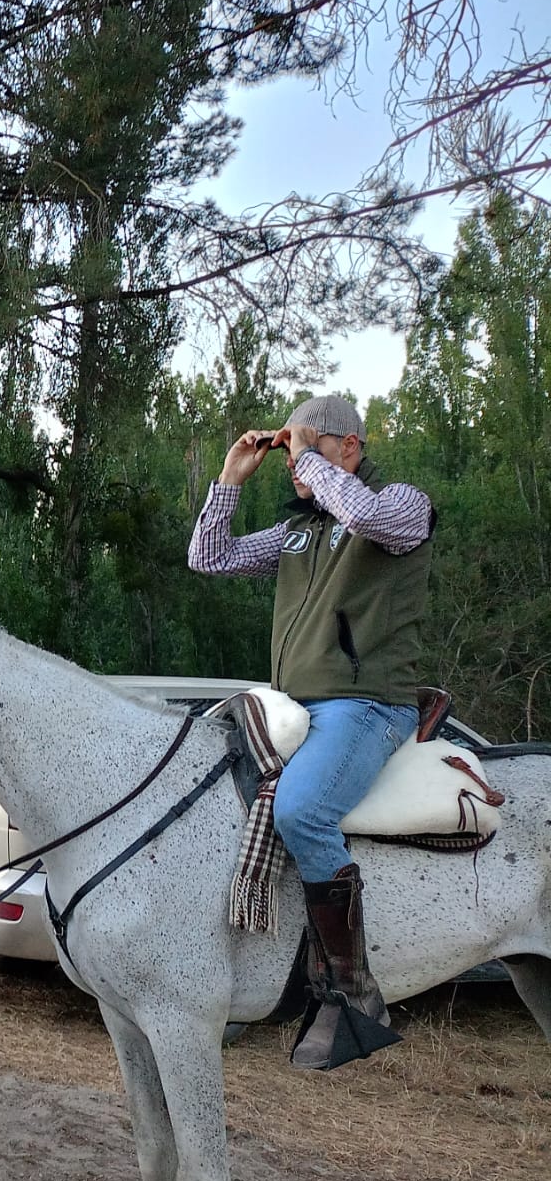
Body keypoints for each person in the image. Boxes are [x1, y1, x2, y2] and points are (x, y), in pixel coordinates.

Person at [189, 393, 435, 1070]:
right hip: (291, 706)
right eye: (292, 456)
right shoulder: (300, 532)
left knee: (301, 810)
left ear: (350, 447)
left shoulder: (403, 507)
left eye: (312, 449)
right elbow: (208, 558)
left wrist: (304, 453)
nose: (295, 467)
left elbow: (361, 511)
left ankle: (354, 990)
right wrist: (231, 482)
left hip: (365, 707)